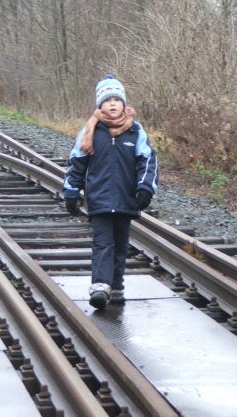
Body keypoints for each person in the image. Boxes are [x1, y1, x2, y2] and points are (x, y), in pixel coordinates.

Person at [63, 74, 158, 309]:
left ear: (124, 104)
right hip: (100, 198)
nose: (113, 104)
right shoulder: (91, 131)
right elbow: (76, 163)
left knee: (121, 244)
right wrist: (71, 191)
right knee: (103, 243)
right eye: (107, 100)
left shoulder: (136, 132)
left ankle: (116, 287)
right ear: (100, 105)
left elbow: (147, 162)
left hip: (126, 199)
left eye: (117, 100)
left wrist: (145, 188)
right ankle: (100, 286)